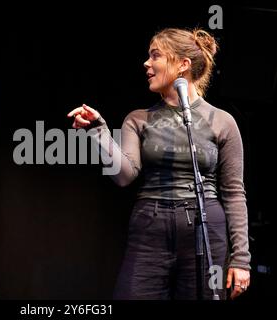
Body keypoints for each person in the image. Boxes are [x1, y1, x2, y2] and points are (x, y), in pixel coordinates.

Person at [68, 28, 250, 300]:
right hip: (150, 228)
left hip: (204, 227)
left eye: (155, 56)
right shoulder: (138, 119)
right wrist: (99, 131)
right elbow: (123, 176)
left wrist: (241, 259)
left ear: (182, 65)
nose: (146, 63)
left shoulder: (222, 121)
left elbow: (234, 193)